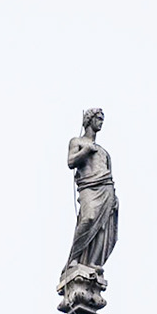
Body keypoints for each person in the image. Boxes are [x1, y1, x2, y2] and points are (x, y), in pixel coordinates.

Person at [66, 109, 118, 270]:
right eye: (99, 119)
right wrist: (86, 151)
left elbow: (109, 174)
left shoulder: (103, 151)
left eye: (102, 119)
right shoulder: (77, 142)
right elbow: (71, 162)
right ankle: (73, 258)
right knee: (88, 218)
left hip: (106, 188)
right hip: (88, 186)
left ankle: (93, 262)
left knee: (103, 226)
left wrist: (114, 197)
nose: (101, 122)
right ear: (89, 120)